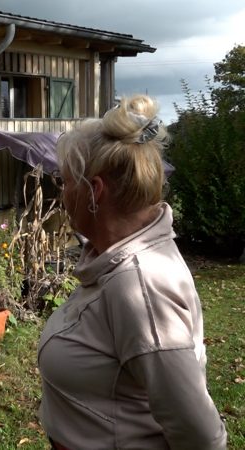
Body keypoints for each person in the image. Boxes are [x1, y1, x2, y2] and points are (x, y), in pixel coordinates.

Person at [38, 95, 228, 449]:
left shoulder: (139, 287)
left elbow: (202, 437)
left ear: (94, 191)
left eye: (64, 182)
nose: (62, 195)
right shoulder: (114, 262)